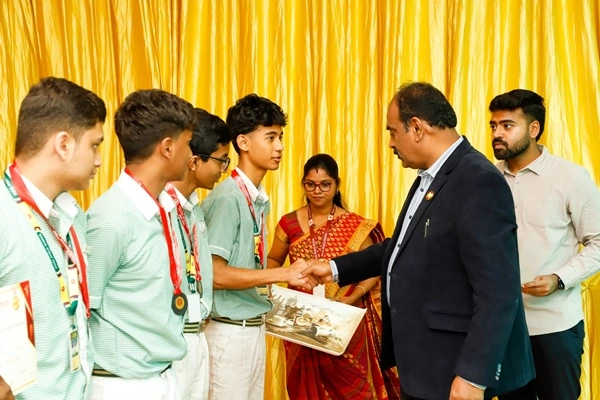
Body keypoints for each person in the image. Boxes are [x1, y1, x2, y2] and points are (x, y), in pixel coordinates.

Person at [300, 82, 536, 400]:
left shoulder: (478, 181)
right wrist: (332, 268)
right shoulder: (430, 177)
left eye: (392, 131)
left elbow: (499, 292)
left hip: (455, 369)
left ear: (416, 127)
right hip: (424, 367)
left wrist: (473, 376)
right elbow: (400, 247)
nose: (390, 143)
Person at [201, 94, 316, 400]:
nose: (280, 147)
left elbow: (249, 265)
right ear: (243, 142)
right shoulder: (228, 198)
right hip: (228, 332)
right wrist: (283, 274)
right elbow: (215, 274)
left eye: (281, 137)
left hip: (252, 328)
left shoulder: (257, 198)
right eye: (270, 137)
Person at [489, 89, 600, 400]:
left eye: (507, 125)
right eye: (493, 126)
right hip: (503, 329)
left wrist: (559, 279)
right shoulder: (487, 180)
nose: (497, 134)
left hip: (556, 327)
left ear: (533, 128)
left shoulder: (570, 178)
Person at [86, 89, 196, 400]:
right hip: (122, 385)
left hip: (161, 375)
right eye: (188, 143)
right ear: (167, 147)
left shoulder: (163, 207)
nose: (192, 154)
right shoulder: (111, 219)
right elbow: (81, 309)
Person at [0, 77, 105, 399]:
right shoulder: (5, 217)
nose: (99, 160)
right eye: (94, 145)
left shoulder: (71, 215)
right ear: (63, 144)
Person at [267, 153, 401, 400]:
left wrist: (350, 299)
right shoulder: (288, 223)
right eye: (310, 184)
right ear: (303, 185)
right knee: (305, 389)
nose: (317, 191)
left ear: (337, 185)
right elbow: (273, 260)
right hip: (300, 320)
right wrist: (277, 293)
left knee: (355, 389)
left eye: (325, 184)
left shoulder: (356, 225)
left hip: (345, 318)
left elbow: (373, 270)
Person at [169, 108, 231, 400]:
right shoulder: (160, 208)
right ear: (194, 161)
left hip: (197, 335)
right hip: (171, 342)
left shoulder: (195, 209)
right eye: (221, 160)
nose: (223, 169)